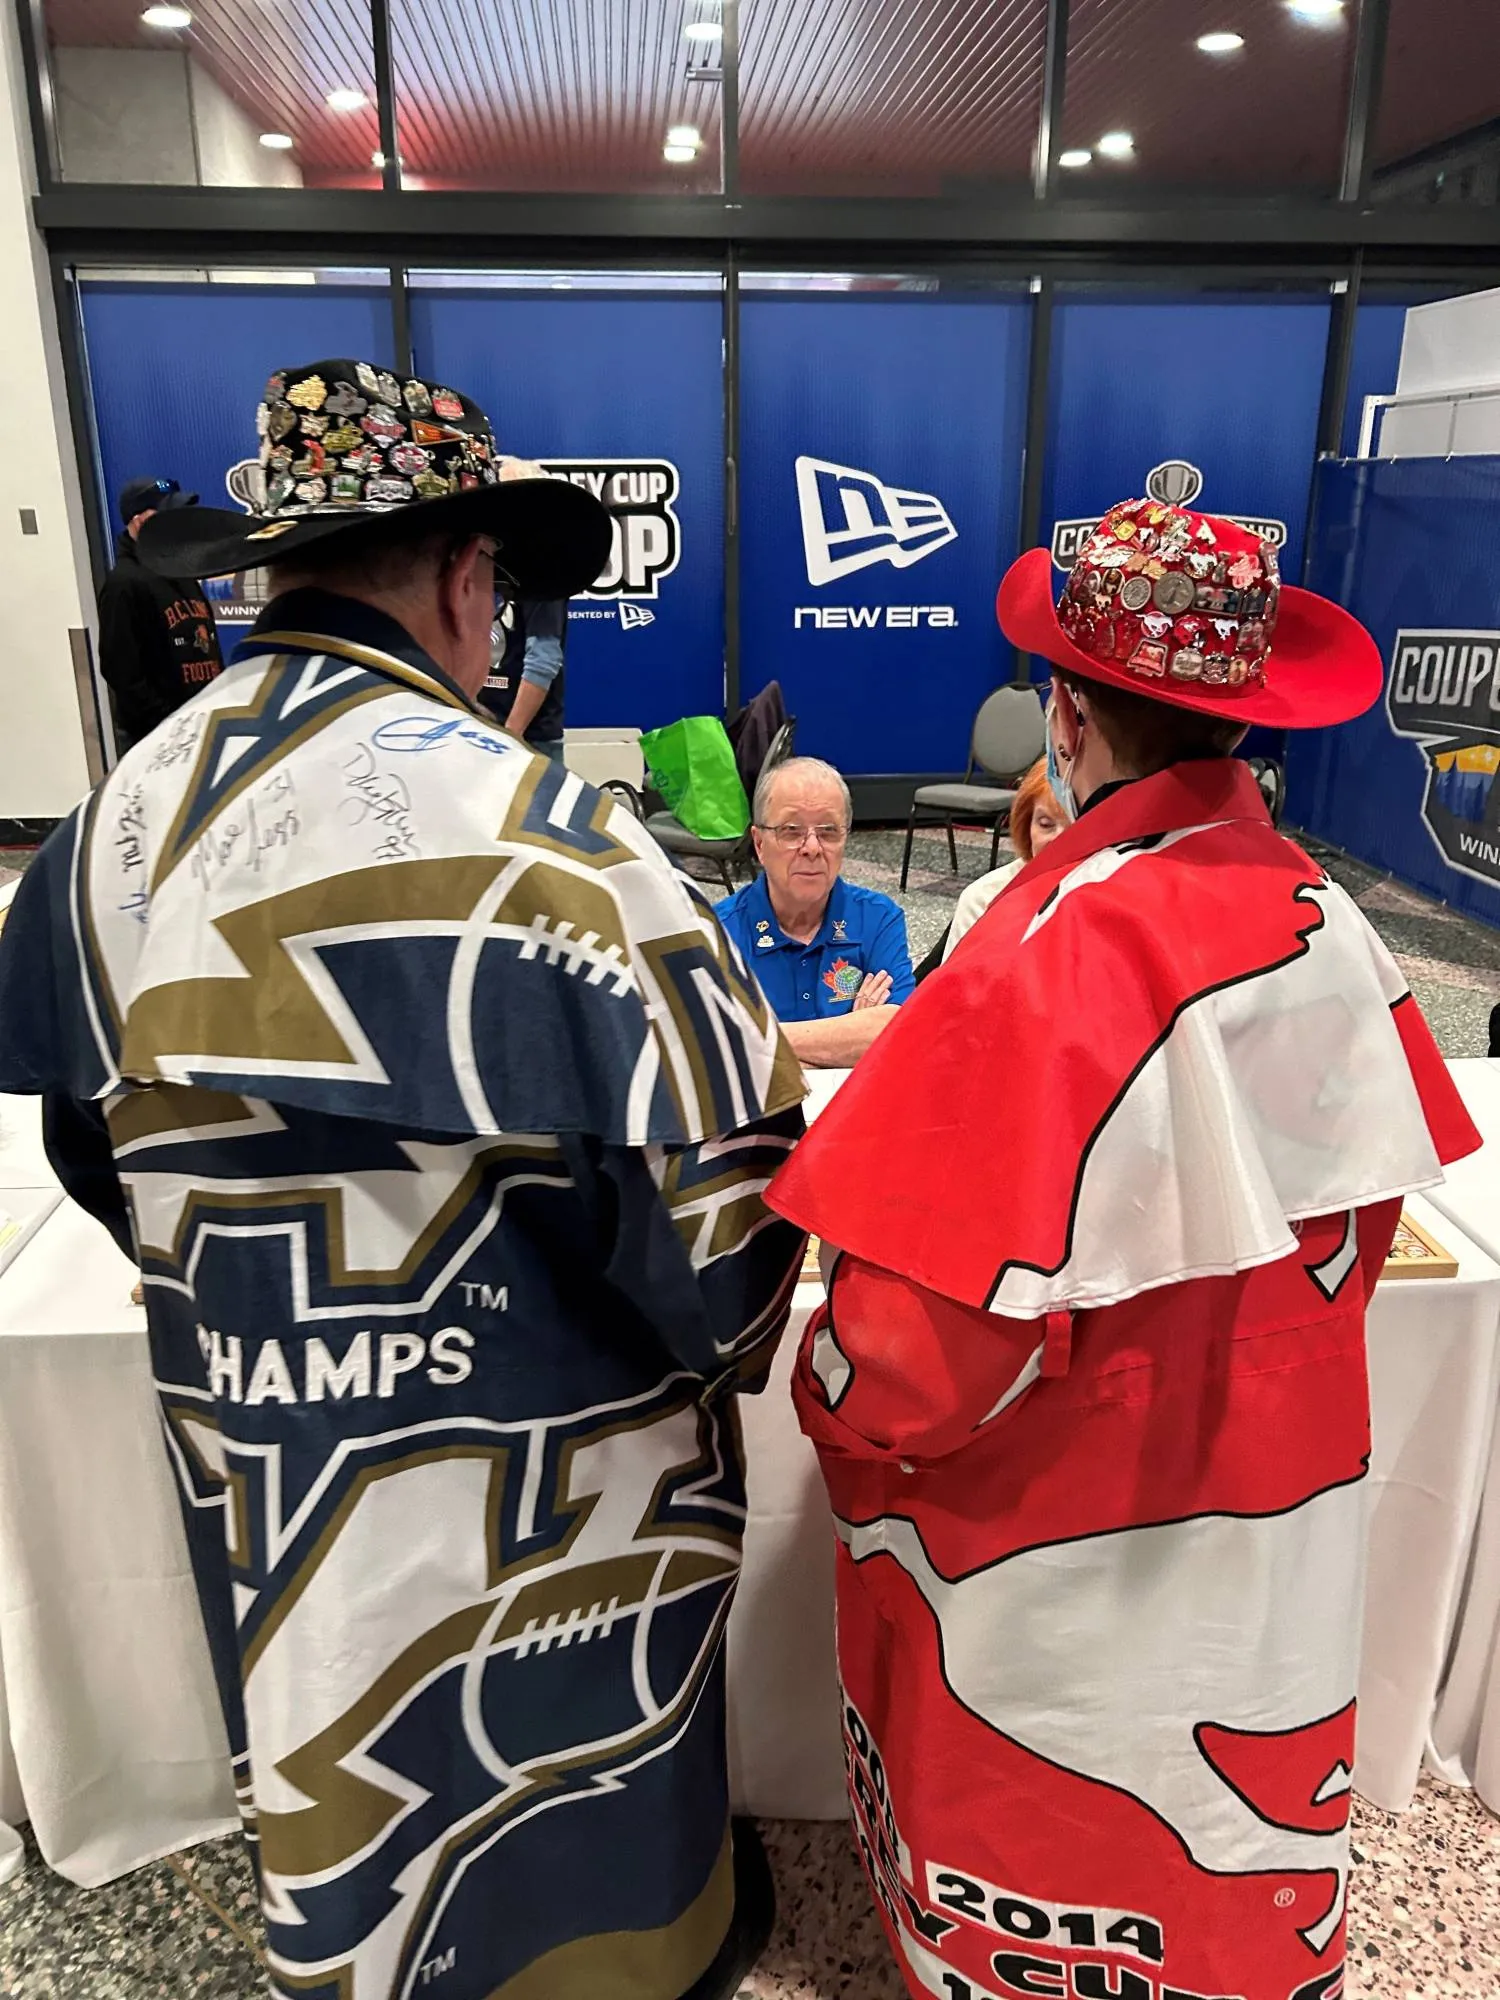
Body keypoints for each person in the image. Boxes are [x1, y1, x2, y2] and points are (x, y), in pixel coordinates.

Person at [0, 360, 808, 2000]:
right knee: (574, 1801)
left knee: (338, 1771)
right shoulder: (561, 844)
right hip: (563, 1513)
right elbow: (726, 1238)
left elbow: (88, 1153)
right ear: (465, 580)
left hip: (280, 1482)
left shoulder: (103, 834)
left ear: (274, 569)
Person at [766, 495, 1480, 2000]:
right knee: (1228, 1792)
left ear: (1068, 719)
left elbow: (921, 1351)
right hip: (1272, 1472)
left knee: (1067, 1798)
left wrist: (827, 1385)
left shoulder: (1042, 953)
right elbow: (1353, 1219)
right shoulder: (1329, 919)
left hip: (1071, 1506)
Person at [716, 756, 914, 1068]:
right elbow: (716, 1052)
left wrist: (756, 1037)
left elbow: (897, 1033)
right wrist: (845, 1041)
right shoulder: (716, 933)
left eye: (829, 831)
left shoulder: (878, 919)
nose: (812, 848)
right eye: (791, 831)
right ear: (759, 844)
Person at [97, 474, 223, 752]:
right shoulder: (124, 584)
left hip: (202, 729)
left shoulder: (182, 574)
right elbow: (123, 674)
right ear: (139, 522)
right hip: (160, 742)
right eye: (166, 515)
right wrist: (169, 726)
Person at [912, 757, 1066, 980]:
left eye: (1076, 824)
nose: (1060, 840)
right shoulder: (985, 897)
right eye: (1045, 824)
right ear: (1026, 824)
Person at [477, 458, 570, 761]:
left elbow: (543, 658)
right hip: (481, 730)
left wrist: (511, 736)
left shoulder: (544, 573)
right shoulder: (483, 564)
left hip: (530, 741)